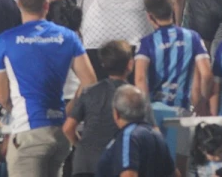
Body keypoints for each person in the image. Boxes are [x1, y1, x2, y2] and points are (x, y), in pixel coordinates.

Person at [0, 0, 96, 175]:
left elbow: (1, 96)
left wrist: (15, 109)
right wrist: (69, 111)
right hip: (59, 132)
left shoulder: (4, 41)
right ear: (46, 6)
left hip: (27, 132)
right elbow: (90, 81)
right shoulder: (68, 37)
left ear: (18, 4)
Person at [65, 39, 155, 177]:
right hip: (117, 165)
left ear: (103, 64)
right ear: (130, 65)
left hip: (84, 164)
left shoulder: (89, 92)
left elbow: (68, 128)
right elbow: (153, 133)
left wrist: (81, 147)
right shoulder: (135, 96)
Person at [134, 0, 209, 110]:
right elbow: (206, 75)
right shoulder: (193, 37)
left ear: (149, 16)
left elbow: (140, 79)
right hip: (184, 110)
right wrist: (202, 103)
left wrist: (146, 113)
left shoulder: (146, 43)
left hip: (156, 111)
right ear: (173, 8)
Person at [97, 85, 175, 177]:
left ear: (116, 113)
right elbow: (174, 173)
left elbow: (129, 174)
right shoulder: (157, 135)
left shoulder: (129, 136)